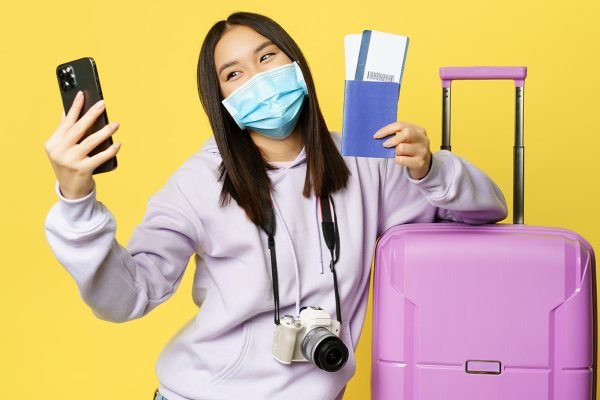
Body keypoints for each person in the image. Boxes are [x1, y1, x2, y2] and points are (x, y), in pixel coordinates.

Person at [43, 11, 508, 400]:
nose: (258, 77)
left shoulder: (367, 163)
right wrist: (76, 201)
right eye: (234, 73)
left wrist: (430, 169)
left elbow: (486, 211)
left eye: (267, 57)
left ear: (297, 67)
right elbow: (126, 298)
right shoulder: (201, 181)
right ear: (222, 99)